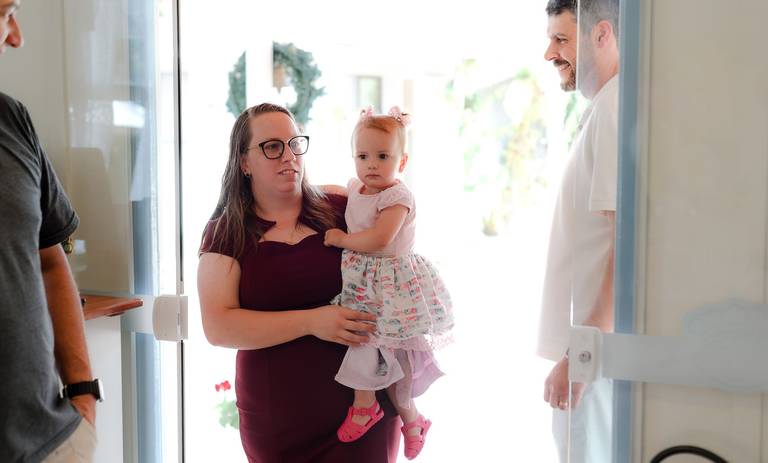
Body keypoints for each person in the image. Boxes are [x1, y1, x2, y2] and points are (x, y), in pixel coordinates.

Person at [197, 103, 401, 463]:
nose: (288, 156)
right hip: (279, 422)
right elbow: (218, 326)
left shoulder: (342, 206)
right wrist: (312, 321)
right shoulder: (226, 232)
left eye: (294, 143)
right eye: (272, 147)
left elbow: (397, 259)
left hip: (364, 413)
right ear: (244, 162)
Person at [323, 107, 453, 460]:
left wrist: (341, 239)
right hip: (366, 283)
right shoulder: (358, 187)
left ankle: (395, 413)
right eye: (363, 156)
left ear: (402, 161)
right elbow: (343, 192)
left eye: (383, 156)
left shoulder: (397, 198)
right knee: (366, 340)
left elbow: (380, 238)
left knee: (386, 348)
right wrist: (310, 190)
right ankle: (388, 411)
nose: (372, 165)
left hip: (392, 283)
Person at [0, 1, 99, 462]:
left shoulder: (12, 120)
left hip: (52, 443)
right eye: (5, 14)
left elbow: (51, 261)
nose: (16, 36)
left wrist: (83, 396)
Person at [538, 0, 620, 461]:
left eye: (562, 39)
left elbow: (624, 248)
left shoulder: (613, 109)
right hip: (590, 357)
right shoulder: (603, 108)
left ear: (601, 34)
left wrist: (581, 356)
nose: (549, 53)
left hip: (594, 362)